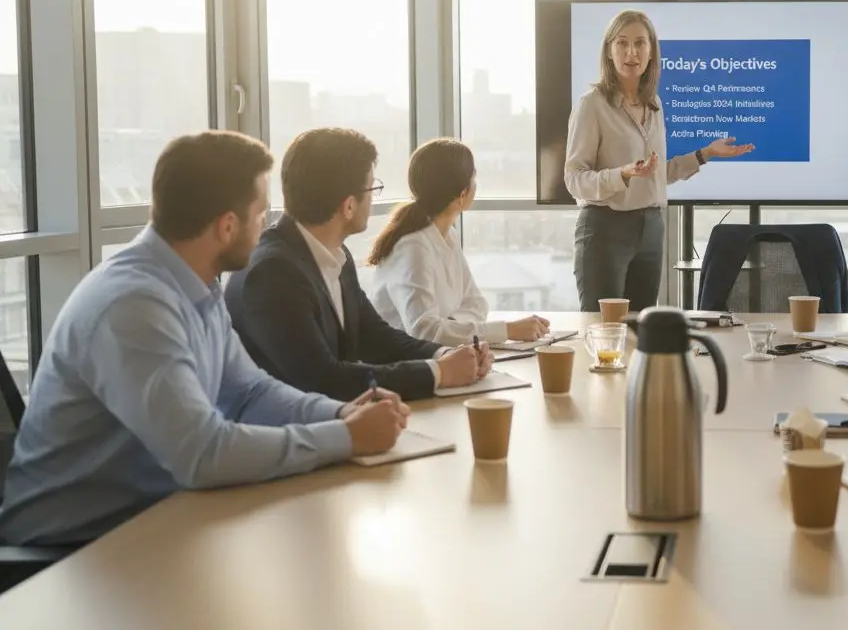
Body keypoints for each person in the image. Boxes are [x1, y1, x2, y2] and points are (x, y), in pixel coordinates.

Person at [0, 132, 409, 547]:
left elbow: (249, 392)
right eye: (260, 213)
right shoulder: (134, 306)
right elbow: (202, 453)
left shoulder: (198, 284)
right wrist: (346, 439)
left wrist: (340, 414)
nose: (266, 225)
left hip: (154, 525)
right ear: (227, 227)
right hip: (68, 555)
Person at [225, 128, 490, 402]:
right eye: (373, 187)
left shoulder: (336, 254)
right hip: (288, 435)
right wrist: (437, 373)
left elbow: (374, 336)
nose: (374, 198)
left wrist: (442, 354)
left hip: (336, 424)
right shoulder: (272, 275)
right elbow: (326, 379)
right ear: (348, 206)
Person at [563, 9, 754, 312]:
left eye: (640, 43)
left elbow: (654, 174)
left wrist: (705, 154)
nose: (631, 52)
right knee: (605, 332)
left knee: (641, 331)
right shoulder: (592, 105)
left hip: (651, 228)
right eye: (622, 43)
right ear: (609, 51)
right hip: (605, 230)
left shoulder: (655, 105)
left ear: (651, 52)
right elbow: (574, 179)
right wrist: (622, 174)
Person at [368, 138, 551, 345]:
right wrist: (506, 330)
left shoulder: (448, 235)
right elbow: (423, 330)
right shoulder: (413, 247)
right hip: (408, 365)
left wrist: (449, 326)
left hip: (442, 357)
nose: (476, 185)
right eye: (474, 178)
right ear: (463, 194)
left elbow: (477, 305)